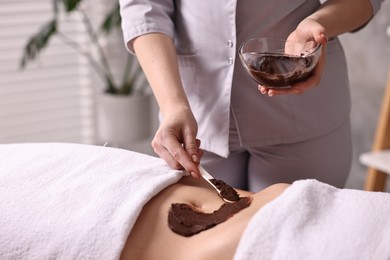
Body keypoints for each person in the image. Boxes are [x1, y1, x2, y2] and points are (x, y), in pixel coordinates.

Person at [119, 0, 384, 191]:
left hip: (304, 115)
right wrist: (173, 105)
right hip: (197, 121)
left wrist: (319, 23)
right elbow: (144, 8)